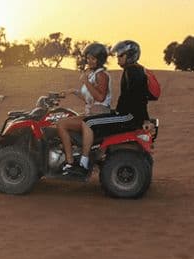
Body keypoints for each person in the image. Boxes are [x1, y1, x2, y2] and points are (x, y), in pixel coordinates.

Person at [64, 40, 154, 177]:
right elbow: (141, 99)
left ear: (130, 56)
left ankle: (83, 163)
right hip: (126, 114)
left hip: (127, 117)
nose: (118, 58)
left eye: (120, 56)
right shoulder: (133, 71)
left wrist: (144, 119)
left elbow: (140, 99)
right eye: (117, 56)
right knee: (93, 120)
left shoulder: (133, 72)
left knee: (89, 122)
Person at [55, 43, 112, 177]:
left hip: (98, 113)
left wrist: (86, 82)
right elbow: (89, 99)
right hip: (91, 111)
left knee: (61, 124)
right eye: (88, 58)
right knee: (65, 119)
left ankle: (73, 162)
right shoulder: (93, 74)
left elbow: (101, 97)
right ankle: (73, 157)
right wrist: (73, 92)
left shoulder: (101, 75)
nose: (89, 61)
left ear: (100, 59)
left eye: (92, 58)